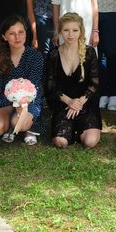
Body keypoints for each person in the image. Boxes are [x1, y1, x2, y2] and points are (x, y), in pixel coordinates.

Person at [0, 16, 44, 153]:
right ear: (4, 37)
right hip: (5, 100)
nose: (17, 37)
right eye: (12, 33)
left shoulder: (35, 57)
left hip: (29, 100)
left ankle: (27, 128)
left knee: (18, 122)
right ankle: (11, 126)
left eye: (21, 32)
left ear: (26, 33)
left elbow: (33, 87)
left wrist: (21, 110)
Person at [44, 13, 102, 149]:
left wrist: (80, 102)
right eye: (66, 30)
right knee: (60, 142)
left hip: (85, 104)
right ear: (60, 32)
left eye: (75, 30)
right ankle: (71, 129)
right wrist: (70, 102)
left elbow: (95, 83)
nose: (70, 34)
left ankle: (80, 129)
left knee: (90, 142)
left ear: (81, 31)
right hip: (64, 103)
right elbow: (50, 86)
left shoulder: (90, 52)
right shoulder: (53, 55)